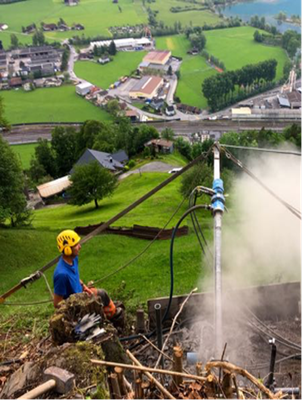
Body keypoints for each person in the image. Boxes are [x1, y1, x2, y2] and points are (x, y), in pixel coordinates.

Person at [53, 229, 118, 321]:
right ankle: (112, 320)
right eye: (76, 245)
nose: (80, 247)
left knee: (102, 294)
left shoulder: (73, 259)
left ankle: (113, 315)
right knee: (101, 308)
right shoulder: (61, 275)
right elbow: (57, 303)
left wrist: (84, 287)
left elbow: (75, 277)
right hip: (77, 306)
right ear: (67, 249)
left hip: (82, 295)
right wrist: (78, 305)